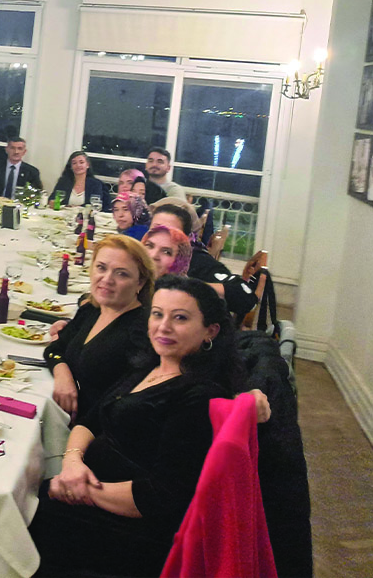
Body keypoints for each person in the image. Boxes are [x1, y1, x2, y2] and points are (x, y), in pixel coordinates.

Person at [29, 276, 243, 577]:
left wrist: (81, 489)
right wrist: (72, 461)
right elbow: (91, 420)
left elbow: (161, 496)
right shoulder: (151, 366)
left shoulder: (199, 396)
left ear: (210, 331)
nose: (163, 326)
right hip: (87, 487)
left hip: (128, 532)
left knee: (22, 506)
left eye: (180, 318)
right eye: (157, 314)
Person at [43, 235, 156, 419]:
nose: (107, 279)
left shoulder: (141, 333)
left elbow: (116, 405)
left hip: (90, 433)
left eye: (121, 273)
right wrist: (62, 373)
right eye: (101, 268)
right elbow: (54, 349)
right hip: (65, 416)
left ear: (140, 283)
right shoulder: (92, 310)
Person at [148, 198, 258, 319]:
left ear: (186, 239)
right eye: (156, 229)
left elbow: (245, 297)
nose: (161, 236)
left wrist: (185, 286)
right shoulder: (141, 254)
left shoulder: (196, 260)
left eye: (170, 231)